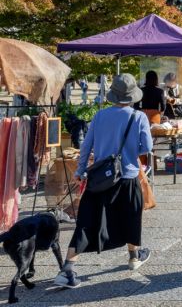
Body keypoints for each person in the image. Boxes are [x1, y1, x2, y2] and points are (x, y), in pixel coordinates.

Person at [54, 74, 153, 289]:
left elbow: (86, 146)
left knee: (87, 223)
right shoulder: (139, 117)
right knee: (131, 216)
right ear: (132, 96)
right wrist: (128, 150)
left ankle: (68, 269)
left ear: (113, 95)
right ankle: (134, 256)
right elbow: (146, 147)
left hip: (99, 178)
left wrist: (80, 171)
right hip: (126, 176)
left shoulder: (99, 116)